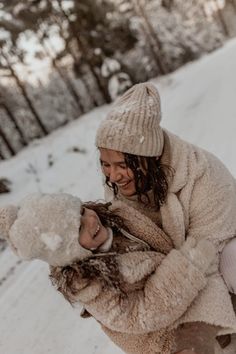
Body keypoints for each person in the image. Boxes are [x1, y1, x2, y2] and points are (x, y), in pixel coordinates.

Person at [94, 82, 236, 352]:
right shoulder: (120, 185)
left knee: (233, 260)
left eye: (122, 165)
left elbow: (205, 256)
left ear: (147, 158)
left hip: (218, 251)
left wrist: (195, 333)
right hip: (180, 264)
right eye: (105, 164)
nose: (112, 176)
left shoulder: (205, 174)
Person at [0, 193, 223, 354]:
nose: (91, 221)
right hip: (165, 339)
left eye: (82, 211)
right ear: (68, 253)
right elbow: (144, 312)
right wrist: (189, 265)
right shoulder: (89, 286)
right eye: (79, 228)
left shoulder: (116, 219)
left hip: (190, 297)